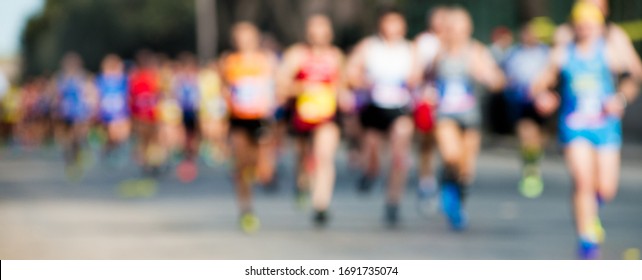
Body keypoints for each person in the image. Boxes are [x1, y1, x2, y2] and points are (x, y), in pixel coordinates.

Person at [532, 2, 639, 259]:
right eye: (581, 25)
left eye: (591, 25)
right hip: (574, 125)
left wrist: (620, 99)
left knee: (606, 187)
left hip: (605, 126)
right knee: (583, 181)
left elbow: (633, 76)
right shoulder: (564, 48)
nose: (586, 30)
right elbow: (542, 83)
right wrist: (544, 96)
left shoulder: (611, 46)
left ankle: (591, 211)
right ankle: (587, 240)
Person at [429, 7, 506, 230]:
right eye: (453, 28)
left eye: (462, 28)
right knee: (451, 156)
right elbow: (426, 78)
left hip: (470, 116)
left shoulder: (477, 51)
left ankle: (457, 204)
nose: (457, 33)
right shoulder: (439, 53)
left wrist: (486, 76)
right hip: (445, 115)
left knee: (465, 169)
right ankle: (447, 190)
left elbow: (498, 80)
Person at [346, 7, 420, 227]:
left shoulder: (410, 49)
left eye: (397, 23)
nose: (392, 28)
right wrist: (363, 82)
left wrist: (411, 82)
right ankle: (370, 172)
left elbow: (417, 76)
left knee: (399, 155)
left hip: (400, 107)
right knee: (373, 154)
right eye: (388, 23)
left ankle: (393, 202)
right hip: (374, 106)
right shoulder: (369, 47)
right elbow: (350, 72)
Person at [278, 14, 345, 226]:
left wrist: (340, 93)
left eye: (323, 29)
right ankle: (302, 183)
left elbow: (343, 85)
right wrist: (302, 88)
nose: (319, 34)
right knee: (304, 158)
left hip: (327, 116)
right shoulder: (297, 55)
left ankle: (321, 204)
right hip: (302, 116)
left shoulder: (335, 56)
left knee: (324, 156)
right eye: (314, 29)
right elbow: (281, 85)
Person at [220, 22, 279, 233]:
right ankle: (246, 209)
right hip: (238, 119)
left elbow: (276, 88)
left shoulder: (267, 60)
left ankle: (266, 176)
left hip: (261, 117)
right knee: (242, 165)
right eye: (239, 37)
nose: (243, 41)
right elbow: (223, 89)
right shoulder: (228, 61)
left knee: (260, 163)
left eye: (247, 36)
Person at [502, 21, 550, 198]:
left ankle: (534, 160)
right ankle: (529, 167)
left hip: (541, 102)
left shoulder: (546, 52)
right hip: (521, 101)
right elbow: (505, 75)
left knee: (539, 136)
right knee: (526, 132)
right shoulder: (514, 53)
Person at [413, 5, 449, 216]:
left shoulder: (459, 43)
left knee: (447, 146)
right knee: (427, 144)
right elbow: (417, 72)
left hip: (451, 103)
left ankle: (447, 183)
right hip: (428, 99)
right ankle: (426, 182)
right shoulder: (424, 42)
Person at [554, 0, 642, 80]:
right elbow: (552, 72)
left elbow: (636, 71)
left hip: (609, 94)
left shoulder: (614, 35)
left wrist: (622, 95)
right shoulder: (565, 35)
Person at [52, 53, 96, 179]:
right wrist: (55, 107)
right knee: (66, 138)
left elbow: (90, 91)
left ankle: (77, 155)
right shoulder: (60, 78)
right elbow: (55, 95)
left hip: (79, 112)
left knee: (77, 135)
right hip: (64, 112)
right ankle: (69, 158)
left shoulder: (83, 77)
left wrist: (91, 106)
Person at [129, 50, 164, 175]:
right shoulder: (147, 77)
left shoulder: (143, 77)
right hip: (146, 115)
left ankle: (151, 163)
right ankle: (149, 163)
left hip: (147, 115)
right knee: (148, 140)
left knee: (150, 141)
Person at [96, 54, 131, 166]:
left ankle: (111, 150)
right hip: (108, 112)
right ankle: (108, 150)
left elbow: (129, 94)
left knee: (123, 134)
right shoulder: (102, 80)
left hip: (122, 111)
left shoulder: (124, 80)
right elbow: (96, 95)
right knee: (113, 134)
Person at [174, 53, 201, 182]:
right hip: (183, 111)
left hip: (195, 110)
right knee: (184, 134)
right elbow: (176, 96)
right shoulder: (179, 80)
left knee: (194, 134)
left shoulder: (197, 79)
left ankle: (192, 153)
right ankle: (186, 154)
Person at [198, 59, 228, 166]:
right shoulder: (203, 76)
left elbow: (224, 91)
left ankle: (222, 152)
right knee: (207, 131)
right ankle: (212, 151)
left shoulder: (220, 76)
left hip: (217, 106)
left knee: (218, 132)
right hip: (206, 107)